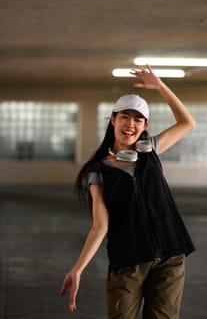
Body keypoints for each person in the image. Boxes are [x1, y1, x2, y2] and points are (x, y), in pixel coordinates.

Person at [60, 65, 196, 319]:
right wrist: (78, 268)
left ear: (144, 125)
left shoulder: (151, 150)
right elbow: (100, 226)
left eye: (138, 119)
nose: (130, 124)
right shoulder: (97, 170)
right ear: (113, 119)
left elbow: (187, 122)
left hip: (170, 256)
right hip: (128, 262)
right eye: (125, 116)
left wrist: (160, 86)